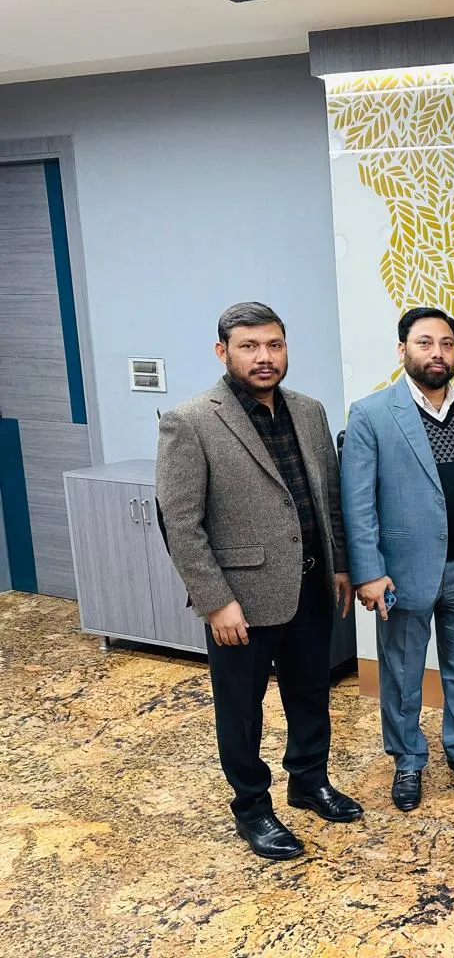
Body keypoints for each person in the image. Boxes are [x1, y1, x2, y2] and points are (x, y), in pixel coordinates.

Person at [156, 301, 361, 861]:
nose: (263, 357)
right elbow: (180, 523)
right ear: (223, 352)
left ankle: (309, 781)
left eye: (274, 344)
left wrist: (341, 565)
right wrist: (215, 601)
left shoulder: (310, 411)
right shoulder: (191, 421)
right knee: (242, 710)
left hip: (311, 585)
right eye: (249, 346)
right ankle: (252, 807)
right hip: (240, 600)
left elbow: (328, 498)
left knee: (310, 692)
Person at [341, 307, 454, 810]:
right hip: (402, 574)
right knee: (402, 674)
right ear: (403, 350)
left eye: (446, 343)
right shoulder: (372, 413)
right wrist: (369, 572)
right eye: (424, 343)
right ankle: (408, 761)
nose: (437, 353)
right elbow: (358, 502)